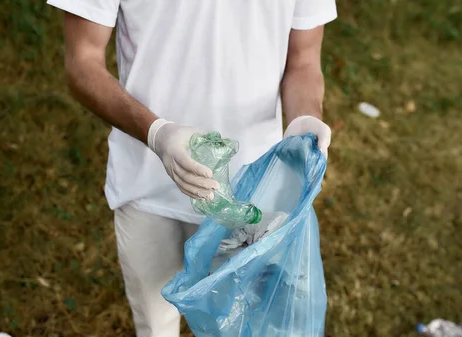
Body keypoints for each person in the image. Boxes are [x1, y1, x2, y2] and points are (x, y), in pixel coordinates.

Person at [47, 0, 337, 336]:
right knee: (156, 327)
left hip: (253, 196)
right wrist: (157, 134)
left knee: (250, 328)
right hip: (147, 186)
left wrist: (305, 117)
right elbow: (82, 63)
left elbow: (302, 61)